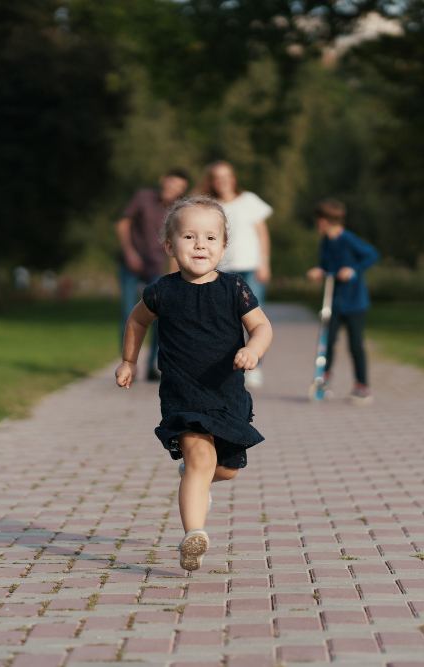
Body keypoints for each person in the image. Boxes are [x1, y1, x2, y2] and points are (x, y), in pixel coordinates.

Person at [115, 195, 273, 571]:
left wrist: (253, 350)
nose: (200, 244)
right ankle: (193, 536)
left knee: (226, 469)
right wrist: (128, 361)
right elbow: (137, 322)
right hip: (183, 392)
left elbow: (262, 326)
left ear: (223, 246)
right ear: (170, 246)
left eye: (210, 238)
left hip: (227, 393)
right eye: (189, 237)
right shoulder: (161, 291)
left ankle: (193, 480)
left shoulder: (234, 289)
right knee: (201, 457)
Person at [196, 161, 273, 388]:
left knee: (255, 317)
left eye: (227, 175)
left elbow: (262, 233)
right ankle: (222, 365)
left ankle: (254, 365)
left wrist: (265, 262)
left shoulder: (249, 200)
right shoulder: (209, 206)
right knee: (221, 318)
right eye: (218, 177)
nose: (223, 180)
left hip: (251, 266)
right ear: (212, 181)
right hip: (221, 269)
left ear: (233, 178)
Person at [116, 169, 190, 380]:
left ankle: (153, 366)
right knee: (129, 315)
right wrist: (129, 253)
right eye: (172, 184)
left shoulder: (177, 209)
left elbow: (176, 243)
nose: (174, 189)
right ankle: (128, 364)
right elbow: (123, 224)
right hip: (130, 264)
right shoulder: (142, 197)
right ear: (163, 180)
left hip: (157, 266)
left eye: (180, 188)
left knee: (160, 316)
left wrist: (174, 278)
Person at [305, 199, 379, 405]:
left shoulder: (348, 240)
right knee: (327, 342)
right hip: (333, 302)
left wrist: (353, 269)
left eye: (318, 221)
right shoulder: (326, 242)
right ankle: (323, 380)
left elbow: (372, 254)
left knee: (355, 344)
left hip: (355, 302)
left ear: (325, 221)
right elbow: (325, 264)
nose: (317, 225)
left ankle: (362, 386)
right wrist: (318, 270)